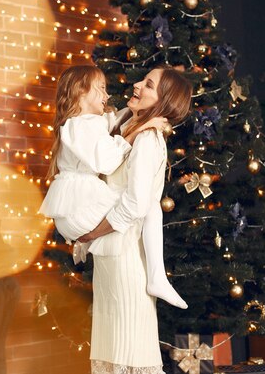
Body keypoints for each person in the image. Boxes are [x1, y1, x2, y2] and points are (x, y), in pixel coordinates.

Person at [39, 65, 187, 309]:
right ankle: (157, 276)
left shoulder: (91, 122)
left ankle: (157, 276)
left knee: (145, 203)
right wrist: (140, 128)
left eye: (148, 84)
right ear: (80, 93)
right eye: (101, 89)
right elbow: (108, 161)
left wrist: (145, 121)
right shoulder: (83, 125)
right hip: (79, 209)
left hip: (79, 209)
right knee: (147, 203)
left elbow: (117, 118)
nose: (107, 96)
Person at [76, 66, 192, 374]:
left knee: (131, 352)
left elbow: (135, 205)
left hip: (127, 258)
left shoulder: (149, 141)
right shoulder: (130, 129)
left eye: (149, 85)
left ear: (163, 102)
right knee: (113, 351)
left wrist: (90, 234)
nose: (137, 84)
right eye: (143, 79)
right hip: (111, 257)